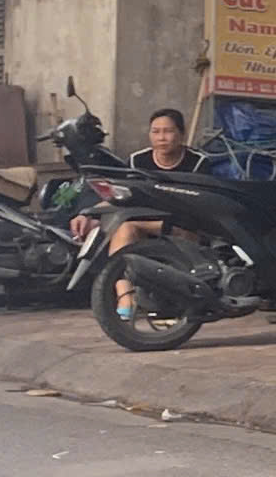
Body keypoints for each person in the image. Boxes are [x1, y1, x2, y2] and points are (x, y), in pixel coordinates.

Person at [88, 108, 209, 319]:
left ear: (181, 134)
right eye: (156, 132)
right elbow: (120, 194)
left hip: (185, 226)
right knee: (125, 229)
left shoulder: (198, 163)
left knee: (129, 226)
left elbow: (203, 204)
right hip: (145, 225)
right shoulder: (137, 161)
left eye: (168, 131)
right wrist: (89, 215)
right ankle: (125, 296)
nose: (161, 138)